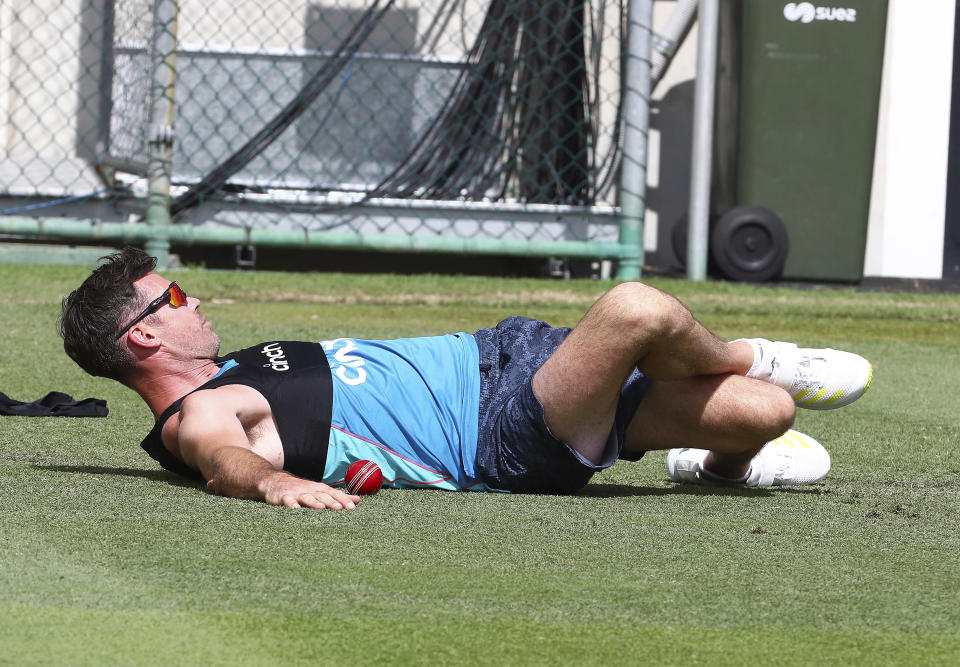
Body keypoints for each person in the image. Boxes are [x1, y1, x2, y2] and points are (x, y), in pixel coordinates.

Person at [58, 247, 872, 510]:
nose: (194, 297)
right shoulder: (199, 412)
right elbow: (218, 453)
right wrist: (270, 484)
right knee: (634, 308)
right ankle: (759, 353)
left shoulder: (231, 366)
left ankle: (716, 468)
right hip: (507, 429)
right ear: (146, 335)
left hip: (509, 356)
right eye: (173, 297)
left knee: (766, 418)